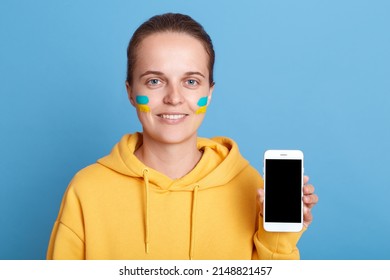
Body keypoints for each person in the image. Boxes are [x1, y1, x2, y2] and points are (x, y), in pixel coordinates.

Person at [47, 13, 318, 260]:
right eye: (154, 81)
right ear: (130, 91)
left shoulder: (251, 187)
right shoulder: (86, 189)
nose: (174, 98)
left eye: (191, 82)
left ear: (209, 92)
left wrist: (279, 238)